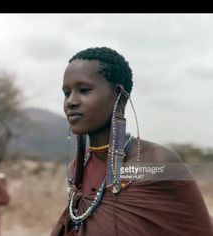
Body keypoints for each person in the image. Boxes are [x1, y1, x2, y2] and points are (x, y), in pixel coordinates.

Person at [50, 47, 213, 236]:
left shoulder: (156, 163)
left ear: (119, 96)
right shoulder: (78, 166)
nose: (71, 101)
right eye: (66, 93)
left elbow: (199, 229)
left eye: (84, 90)